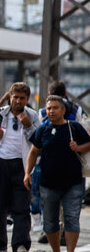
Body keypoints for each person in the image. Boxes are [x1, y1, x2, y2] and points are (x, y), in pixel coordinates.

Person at [25, 95, 90, 252]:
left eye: (55, 108)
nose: (51, 111)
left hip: (73, 183)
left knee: (72, 219)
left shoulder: (74, 127)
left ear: (63, 110)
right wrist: (27, 173)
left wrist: (78, 148)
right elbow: (33, 152)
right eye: (48, 108)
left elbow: (88, 143)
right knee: (50, 222)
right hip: (48, 183)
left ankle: (70, 250)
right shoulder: (43, 129)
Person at [0, 82, 41, 252]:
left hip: (22, 166)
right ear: (10, 97)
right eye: (15, 97)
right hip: (0, 164)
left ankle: (20, 245)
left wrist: (28, 126)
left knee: (21, 208)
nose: (18, 101)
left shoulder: (32, 116)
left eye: (22, 98)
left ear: (27, 99)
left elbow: (39, 141)